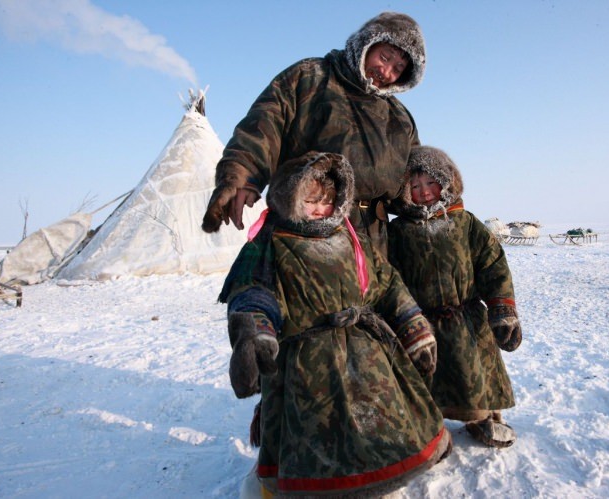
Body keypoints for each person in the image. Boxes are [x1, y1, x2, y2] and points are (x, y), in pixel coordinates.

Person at [222, 151, 451, 496]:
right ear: (290, 197)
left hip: (365, 355)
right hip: (305, 368)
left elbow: (386, 282)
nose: (319, 208)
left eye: (328, 201)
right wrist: (256, 334)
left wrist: (412, 324)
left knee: (376, 424)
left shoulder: (350, 237)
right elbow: (254, 292)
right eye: (310, 199)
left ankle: (377, 480)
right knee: (314, 440)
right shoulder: (271, 242)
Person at [201, 11, 427, 254]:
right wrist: (240, 178)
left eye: (398, 68)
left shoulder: (399, 118)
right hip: (304, 233)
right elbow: (263, 127)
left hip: (373, 244)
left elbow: (416, 178)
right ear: (367, 44)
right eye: (385, 57)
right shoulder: (310, 77)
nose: (386, 71)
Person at [387, 145, 523, 448]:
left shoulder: (466, 223)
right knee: (424, 378)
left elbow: (492, 265)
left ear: (446, 182)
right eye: (415, 185)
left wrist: (503, 308)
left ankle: (485, 419)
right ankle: (427, 428)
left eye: (430, 183)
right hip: (421, 320)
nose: (423, 192)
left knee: (475, 374)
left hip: (466, 319)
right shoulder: (398, 231)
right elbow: (390, 274)